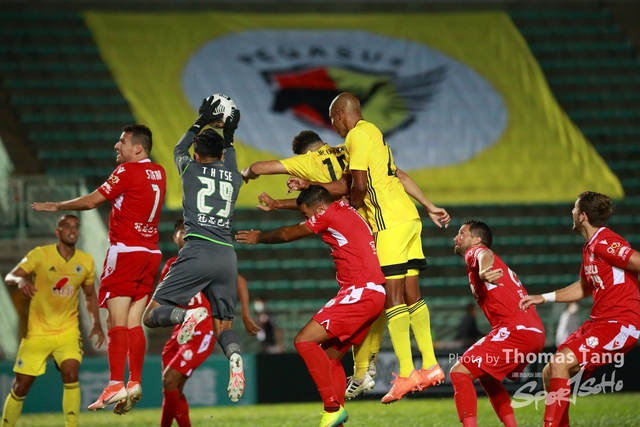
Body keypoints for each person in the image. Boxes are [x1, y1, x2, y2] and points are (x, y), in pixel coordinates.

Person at [287, 92, 451, 403]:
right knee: (413, 294)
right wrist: (428, 205)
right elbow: (398, 175)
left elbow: (357, 186)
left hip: (388, 223)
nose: (335, 128)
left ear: (340, 115)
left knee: (391, 297)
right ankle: (430, 365)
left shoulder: (355, 137)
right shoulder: (374, 133)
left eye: (334, 120)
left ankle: (406, 373)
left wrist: (349, 209)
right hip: (409, 218)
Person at [31, 124, 166, 413]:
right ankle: (135, 381)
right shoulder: (160, 172)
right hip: (150, 253)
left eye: (122, 142)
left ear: (138, 148)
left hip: (126, 252)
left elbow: (92, 200)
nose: (117, 146)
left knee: (114, 319)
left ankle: (115, 384)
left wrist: (57, 206)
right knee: (134, 321)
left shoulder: (126, 171)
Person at [235, 185, 386, 427]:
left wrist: (259, 237)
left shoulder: (328, 214)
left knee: (304, 341)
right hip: (373, 294)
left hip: (360, 292)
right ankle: (337, 420)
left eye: (307, 214)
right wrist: (279, 204)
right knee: (330, 358)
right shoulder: (342, 206)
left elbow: (288, 233)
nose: (307, 219)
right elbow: (315, 197)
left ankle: (331, 408)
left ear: (321, 208)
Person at [142, 96, 247, 403]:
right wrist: (229, 132)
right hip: (227, 256)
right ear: (221, 155)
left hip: (198, 250)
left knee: (151, 314)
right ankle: (234, 358)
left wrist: (202, 120)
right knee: (224, 326)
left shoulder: (190, 169)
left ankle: (186, 315)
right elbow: (229, 156)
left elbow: (178, 149)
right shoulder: (234, 177)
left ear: (197, 156)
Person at [520, 191, 640, 427]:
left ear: (583, 216)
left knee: (559, 364)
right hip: (599, 323)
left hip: (620, 323)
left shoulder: (605, 242)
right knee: (549, 371)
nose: (572, 212)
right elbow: (584, 287)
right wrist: (543, 298)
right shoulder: (590, 247)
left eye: (575, 208)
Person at [2, 214, 105, 427]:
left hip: (67, 332)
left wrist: (96, 323)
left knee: (71, 373)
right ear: (57, 231)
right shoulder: (41, 255)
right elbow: (10, 276)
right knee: (21, 386)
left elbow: (89, 295)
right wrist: (21, 280)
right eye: (66, 226)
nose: (72, 230)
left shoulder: (85, 261)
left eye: (76, 226)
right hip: (38, 333)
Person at [158, 219, 259, 426]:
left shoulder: (207, 261)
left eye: (190, 231)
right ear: (174, 237)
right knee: (173, 388)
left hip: (201, 331)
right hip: (179, 331)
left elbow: (240, 281)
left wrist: (245, 315)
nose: (186, 236)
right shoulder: (170, 265)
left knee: (169, 380)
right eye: (182, 231)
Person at [451, 220, 545, 427]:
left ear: (476, 240)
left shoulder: (475, 253)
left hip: (515, 330)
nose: (456, 238)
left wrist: (483, 270)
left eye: (462, 233)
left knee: (459, 373)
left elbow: (484, 254)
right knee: (488, 377)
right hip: (534, 332)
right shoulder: (495, 265)